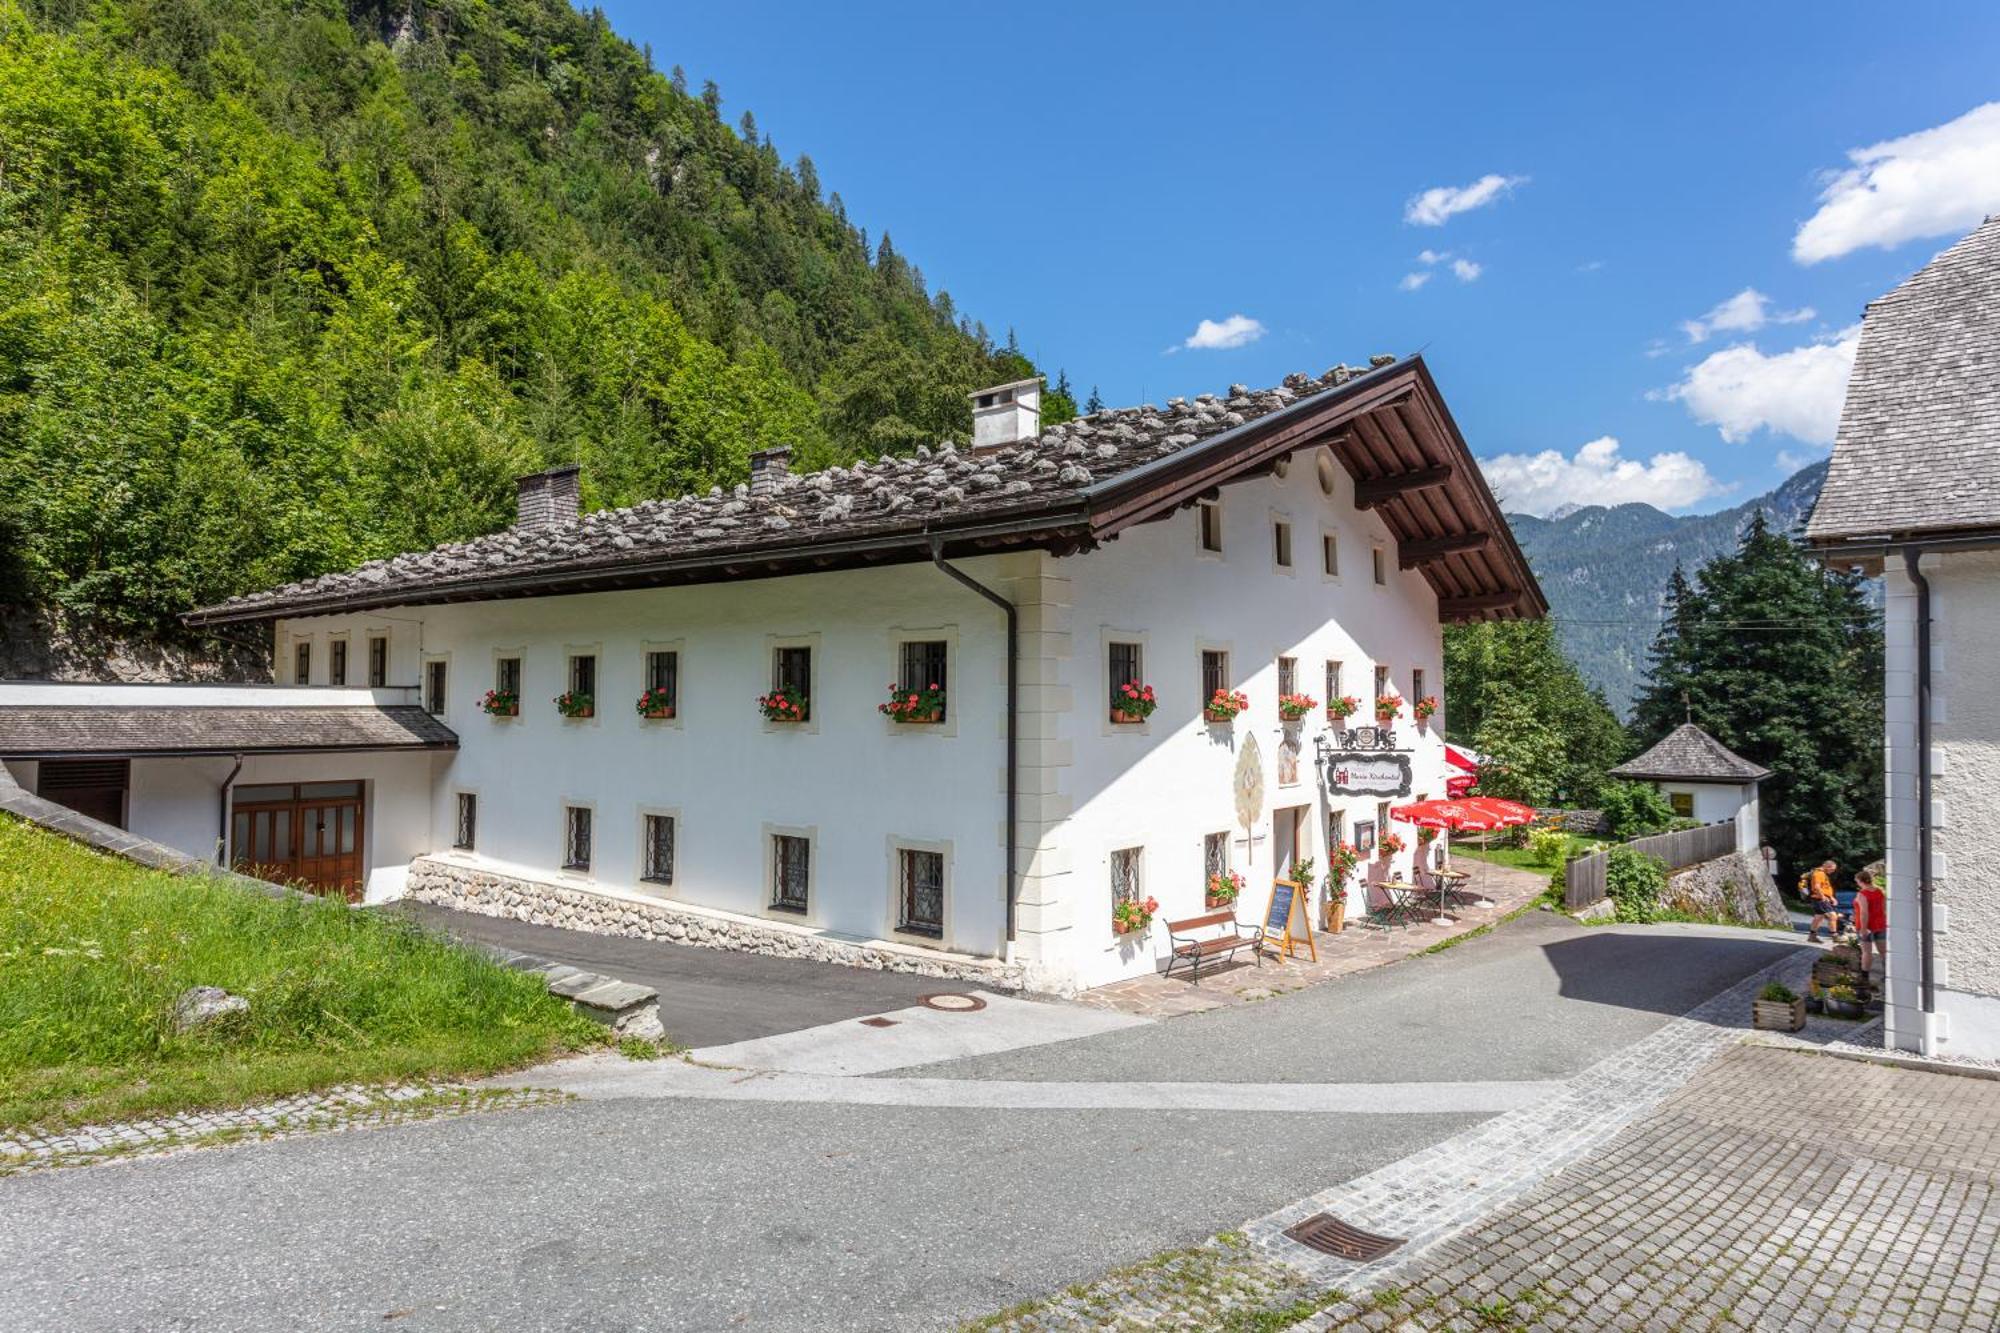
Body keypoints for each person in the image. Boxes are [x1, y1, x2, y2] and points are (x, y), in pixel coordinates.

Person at [1853, 869, 1887, 977]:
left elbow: (1864, 913)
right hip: (1880, 925)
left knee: (1867, 952)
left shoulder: (1862, 894)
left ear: (1860, 880)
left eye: (1857, 880)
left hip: (1866, 926)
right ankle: (1888, 975)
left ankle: (1864, 978)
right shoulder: (1880, 891)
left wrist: (1863, 929)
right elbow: (1884, 908)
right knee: (1884, 952)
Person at [1805, 859, 1842, 944]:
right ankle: (1834, 936)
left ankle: (1812, 937)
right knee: (1832, 916)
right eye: (1832, 869)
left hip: (1820, 897)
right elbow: (1817, 887)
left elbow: (1825, 888)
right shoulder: (1819, 874)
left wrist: (1831, 897)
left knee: (1818, 918)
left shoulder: (1821, 874)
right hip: (1820, 898)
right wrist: (1823, 897)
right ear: (1826, 866)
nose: (1833, 871)